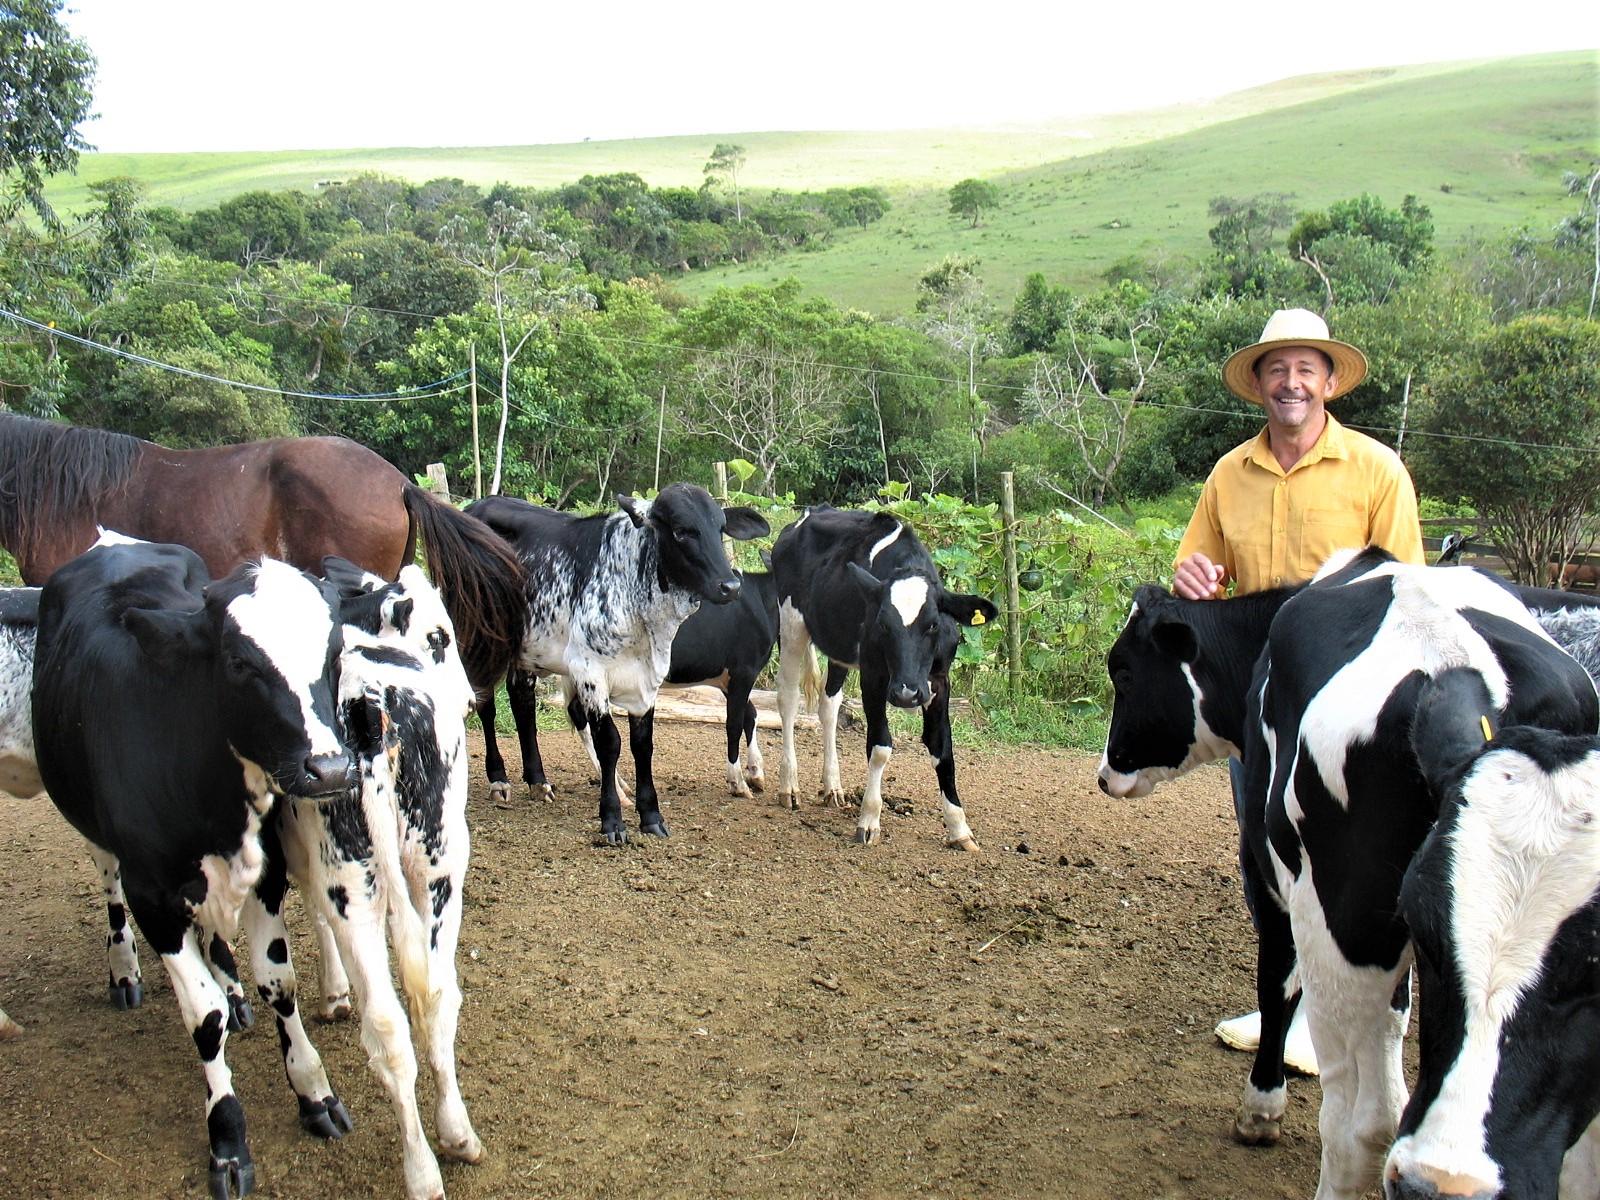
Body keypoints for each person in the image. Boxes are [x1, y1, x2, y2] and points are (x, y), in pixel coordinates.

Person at [1173, 308, 1425, 1076]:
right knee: (1269, 859)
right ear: (1259, 384)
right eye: (1276, 369)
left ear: (1329, 380)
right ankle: (1293, 1001)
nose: (1291, 383)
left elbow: (1410, 592)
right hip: (1263, 705)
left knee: (1365, 859)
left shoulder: (1377, 470)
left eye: (1305, 369)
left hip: (1357, 708)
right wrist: (1194, 579)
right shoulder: (1228, 474)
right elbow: (1197, 572)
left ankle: (1373, 1012)